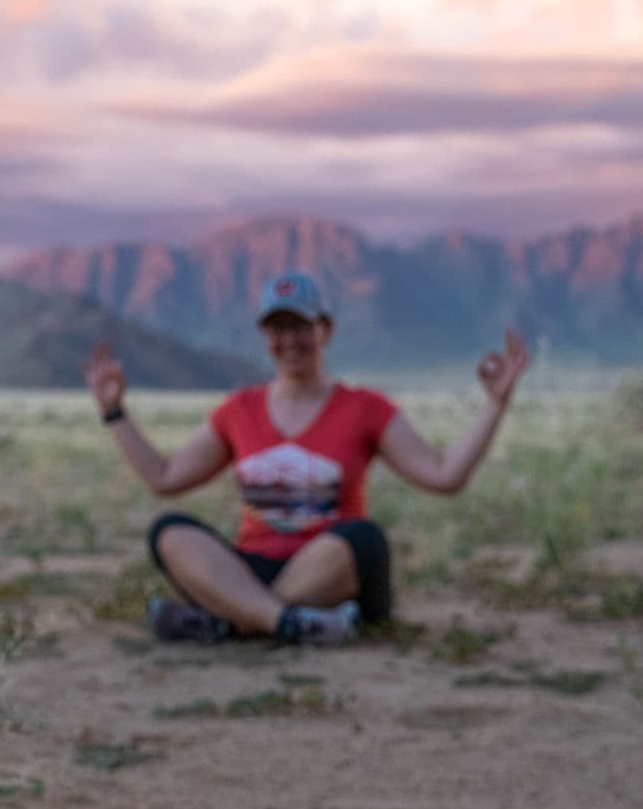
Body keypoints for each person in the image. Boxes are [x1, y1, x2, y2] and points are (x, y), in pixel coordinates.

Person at [83, 271, 530, 645]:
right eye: (277, 328)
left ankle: (232, 620)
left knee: (365, 538)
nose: (290, 339)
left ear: (325, 330)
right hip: (255, 566)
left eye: (300, 325)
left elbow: (443, 476)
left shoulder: (364, 408)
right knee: (170, 532)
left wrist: (495, 406)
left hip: (333, 572)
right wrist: (112, 411)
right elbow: (164, 478)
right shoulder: (239, 411)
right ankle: (282, 623)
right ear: (263, 336)